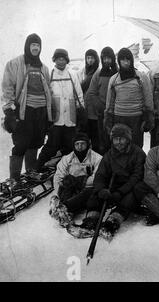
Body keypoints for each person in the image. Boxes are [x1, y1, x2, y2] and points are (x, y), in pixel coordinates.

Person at [77, 124, 146, 239]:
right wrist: (101, 189)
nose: (118, 142)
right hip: (113, 186)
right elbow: (100, 175)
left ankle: (112, 223)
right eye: (115, 139)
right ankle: (90, 222)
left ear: (128, 139)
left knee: (129, 200)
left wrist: (120, 192)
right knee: (95, 196)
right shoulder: (109, 155)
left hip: (129, 188)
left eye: (122, 139)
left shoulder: (138, 153)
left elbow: (137, 177)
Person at [1, 33, 52, 181]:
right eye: (33, 45)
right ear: (27, 46)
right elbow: (7, 88)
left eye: (38, 45)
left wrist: (50, 115)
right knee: (21, 143)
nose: (35, 48)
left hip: (41, 110)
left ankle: (30, 171)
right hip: (24, 110)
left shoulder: (44, 68)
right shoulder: (15, 64)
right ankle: (14, 178)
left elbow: (48, 89)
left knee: (36, 141)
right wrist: (10, 110)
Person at [36, 48, 84, 172]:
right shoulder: (50, 75)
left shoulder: (72, 75)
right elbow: (46, 94)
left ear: (66, 60)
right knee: (51, 146)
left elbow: (79, 95)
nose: (61, 61)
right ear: (55, 60)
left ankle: (63, 169)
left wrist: (80, 110)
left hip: (70, 118)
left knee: (69, 146)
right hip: (56, 119)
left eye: (63, 59)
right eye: (58, 59)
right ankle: (37, 168)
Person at [49, 132, 102, 227]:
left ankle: (66, 208)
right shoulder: (67, 158)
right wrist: (57, 193)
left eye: (82, 143)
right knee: (66, 185)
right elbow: (58, 177)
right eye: (77, 144)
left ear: (88, 144)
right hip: (71, 189)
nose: (80, 146)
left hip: (87, 188)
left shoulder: (97, 158)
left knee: (91, 193)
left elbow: (97, 178)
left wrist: (78, 181)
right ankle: (66, 213)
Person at [104, 47, 154, 148]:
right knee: (120, 146)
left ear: (132, 60)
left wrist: (148, 119)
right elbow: (109, 103)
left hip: (136, 119)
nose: (126, 62)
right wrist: (108, 121)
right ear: (119, 61)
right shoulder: (114, 79)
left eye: (128, 59)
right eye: (123, 59)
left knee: (136, 146)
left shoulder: (141, 77)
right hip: (119, 118)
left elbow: (148, 99)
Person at [85, 46, 118, 154]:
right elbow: (91, 92)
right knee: (102, 141)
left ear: (113, 59)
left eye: (109, 58)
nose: (107, 61)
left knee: (115, 140)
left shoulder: (118, 73)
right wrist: (100, 107)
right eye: (104, 58)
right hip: (102, 114)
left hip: (117, 113)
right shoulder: (98, 73)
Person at [77, 49, 100, 141]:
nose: (90, 60)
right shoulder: (81, 72)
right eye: (88, 58)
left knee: (95, 136)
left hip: (95, 109)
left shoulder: (99, 72)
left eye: (92, 58)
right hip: (84, 108)